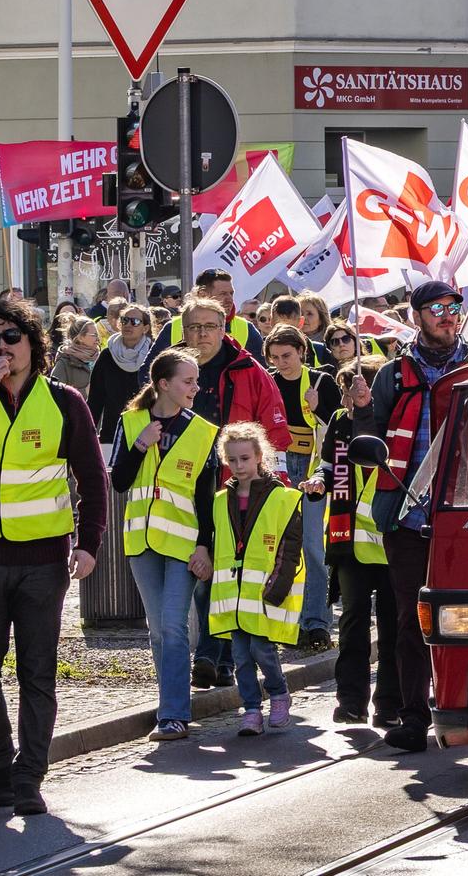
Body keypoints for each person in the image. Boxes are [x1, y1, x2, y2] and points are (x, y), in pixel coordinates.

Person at [0, 297, 110, 815]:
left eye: (11, 337)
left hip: (43, 560)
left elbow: (93, 479)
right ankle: (0, 764)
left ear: (33, 343)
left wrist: (89, 544)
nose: (2, 347)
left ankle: (30, 777)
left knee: (38, 673)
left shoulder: (63, 402)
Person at [350, 280, 468, 752]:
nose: (447, 314)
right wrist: (362, 411)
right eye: (437, 308)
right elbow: (370, 442)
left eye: (453, 307)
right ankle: (412, 716)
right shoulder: (392, 375)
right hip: (407, 514)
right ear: (416, 315)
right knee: (410, 619)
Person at [108, 348, 220, 743]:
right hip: (141, 542)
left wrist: (206, 547)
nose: (195, 387)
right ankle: (169, 705)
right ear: (163, 385)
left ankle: (173, 714)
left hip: (184, 545)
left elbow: (208, 500)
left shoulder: (205, 432)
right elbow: (119, 482)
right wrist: (139, 445)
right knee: (157, 631)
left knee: (173, 626)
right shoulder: (131, 421)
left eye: (195, 381)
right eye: (188, 381)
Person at [181, 296, 292, 690]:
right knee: (203, 571)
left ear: (224, 328)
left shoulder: (249, 371)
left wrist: (272, 488)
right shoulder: (175, 370)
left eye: (209, 326)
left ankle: (212, 656)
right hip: (189, 485)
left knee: (226, 574)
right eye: (194, 327)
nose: (201, 335)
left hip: (237, 487)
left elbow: (275, 433)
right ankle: (221, 660)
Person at [304, 355, 401, 728]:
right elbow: (328, 466)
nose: (347, 400)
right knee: (352, 625)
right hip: (350, 543)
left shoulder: (394, 425)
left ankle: (391, 704)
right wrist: (318, 481)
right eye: (346, 392)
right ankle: (350, 702)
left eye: (355, 391)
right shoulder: (340, 423)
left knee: (394, 628)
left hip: (393, 542)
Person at [206, 422, 306, 737]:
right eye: (233, 460)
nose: (239, 466)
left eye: (245, 459)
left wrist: (278, 586)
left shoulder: (282, 498)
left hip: (264, 593)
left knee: (262, 651)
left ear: (260, 456)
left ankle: (278, 694)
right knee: (239, 657)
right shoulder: (221, 500)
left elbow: (290, 547)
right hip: (233, 598)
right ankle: (251, 709)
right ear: (225, 460)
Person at [265, 324, 342, 654]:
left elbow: (339, 427)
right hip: (279, 467)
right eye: (275, 357)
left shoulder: (322, 382)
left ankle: (316, 623)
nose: (282, 362)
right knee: (280, 548)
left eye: (287, 355)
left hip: (315, 469)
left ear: (301, 352)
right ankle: (285, 621)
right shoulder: (268, 382)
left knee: (313, 547)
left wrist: (318, 408)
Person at [156, 268, 264, 363]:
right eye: (223, 294)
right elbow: (148, 372)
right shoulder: (172, 327)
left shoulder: (246, 328)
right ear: (202, 295)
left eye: (231, 293)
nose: (229, 299)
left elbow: (262, 375)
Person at [89, 302, 156, 447]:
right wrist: (87, 433)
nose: (128, 325)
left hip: (147, 434)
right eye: (124, 320)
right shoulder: (107, 355)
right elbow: (95, 399)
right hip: (111, 434)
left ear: (146, 328)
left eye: (135, 321)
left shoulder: (154, 356)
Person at [48, 316, 99, 397]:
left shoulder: (101, 358)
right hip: (79, 409)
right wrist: (84, 392)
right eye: (94, 335)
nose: (98, 338)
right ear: (80, 337)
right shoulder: (64, 363)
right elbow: (55, 394)